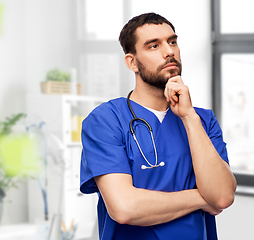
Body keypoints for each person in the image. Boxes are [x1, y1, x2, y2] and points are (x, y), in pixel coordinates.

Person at [80, 12, 237, 240]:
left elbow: (222, 197)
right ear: (132, 62)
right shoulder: (106, 120)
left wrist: (189, 117)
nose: (169, 51)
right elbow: (124, 207)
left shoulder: (202, 120)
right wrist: (202, 198)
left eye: (172, 41)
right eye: (153, 46)